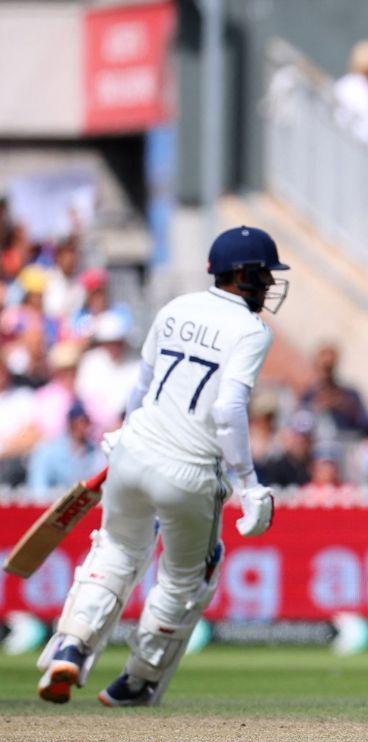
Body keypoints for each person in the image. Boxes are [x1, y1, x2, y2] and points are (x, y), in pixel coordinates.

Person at [35, 226, 289, 707]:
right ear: (240, 276)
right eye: (263, 276)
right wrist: (249, 485)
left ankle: (71, 644)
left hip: (133, 451)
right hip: (189, 471)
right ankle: (138, 678)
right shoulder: (252, 331)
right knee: (187, 576)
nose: (269, 286)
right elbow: (228, 407)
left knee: (114, 553)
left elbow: (142, 386)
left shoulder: (174, 308)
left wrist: (124, 433)